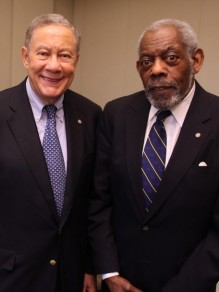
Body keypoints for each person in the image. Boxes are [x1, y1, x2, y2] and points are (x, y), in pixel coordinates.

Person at [88, 18, 219, 292]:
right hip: (117, 283)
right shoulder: (117, 114)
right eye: (147, 62)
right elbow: (99, 201)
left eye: (171, 58)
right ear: (139, 68)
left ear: (196, 60)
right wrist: (109, 272)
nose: (157, 70)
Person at [0, 14, 101, 292]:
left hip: (71, 277)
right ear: (25, 56)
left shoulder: (91, 115)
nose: (54, 66)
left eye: (65, 55)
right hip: (11, 277)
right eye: (43, 53)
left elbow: (93, 201)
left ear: (76, 61)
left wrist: (91, 267)